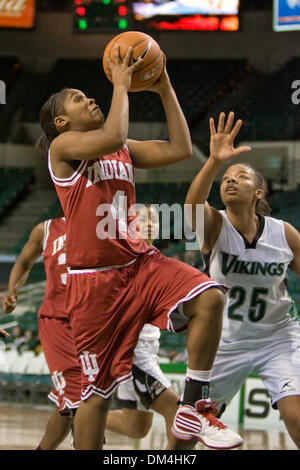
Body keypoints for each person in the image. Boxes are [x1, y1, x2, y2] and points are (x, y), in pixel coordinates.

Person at [37, 46, 243, 450]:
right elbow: (111, 132)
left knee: (211, 297)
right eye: (80, 99)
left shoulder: (122, 147)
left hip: (140, 264)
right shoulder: (61, 150)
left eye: (90, 95)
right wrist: (122, 84)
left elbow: (179, 148)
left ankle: (194, 407)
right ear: (62, 122)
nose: (91, 98)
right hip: (94, 284)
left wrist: (165, 87)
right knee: (95, 394)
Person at [185, 111, 300, 448]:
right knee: (185, 436)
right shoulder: (215, 226)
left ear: (259, 192)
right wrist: (215, 161)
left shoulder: (284, 233)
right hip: (224, 344)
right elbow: (192, 206)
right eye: (226, 178)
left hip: (278, 338)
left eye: (241, 176)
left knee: (296, 415)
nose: (230, 180)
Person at [1, 215, 82, 450]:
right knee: (78, 397)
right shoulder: (46, 229)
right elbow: (24, 262)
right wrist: (12, 290)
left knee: (70, 403)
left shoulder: (101, 225)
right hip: (58, 322)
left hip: (92, 322)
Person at [106, 204, 179, 441]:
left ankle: (79, 415)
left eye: (154, 219)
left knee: (136, 427)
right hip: (130, 350)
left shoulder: (157, 260)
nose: (149, 223)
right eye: (143, 218)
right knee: (177, 411)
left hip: (149, 346)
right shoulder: (121, 258)